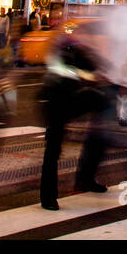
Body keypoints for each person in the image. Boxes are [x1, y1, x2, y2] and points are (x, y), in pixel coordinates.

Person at [39, 24, 110, 207]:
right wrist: (90, 76)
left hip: (69, 99)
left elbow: (96, 68)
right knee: (53, 149)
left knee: (103, 112)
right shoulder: (66, 48)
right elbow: (79, 70)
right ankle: (48, 197)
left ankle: (86, 176)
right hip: (56, 101)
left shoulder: (78, 49)